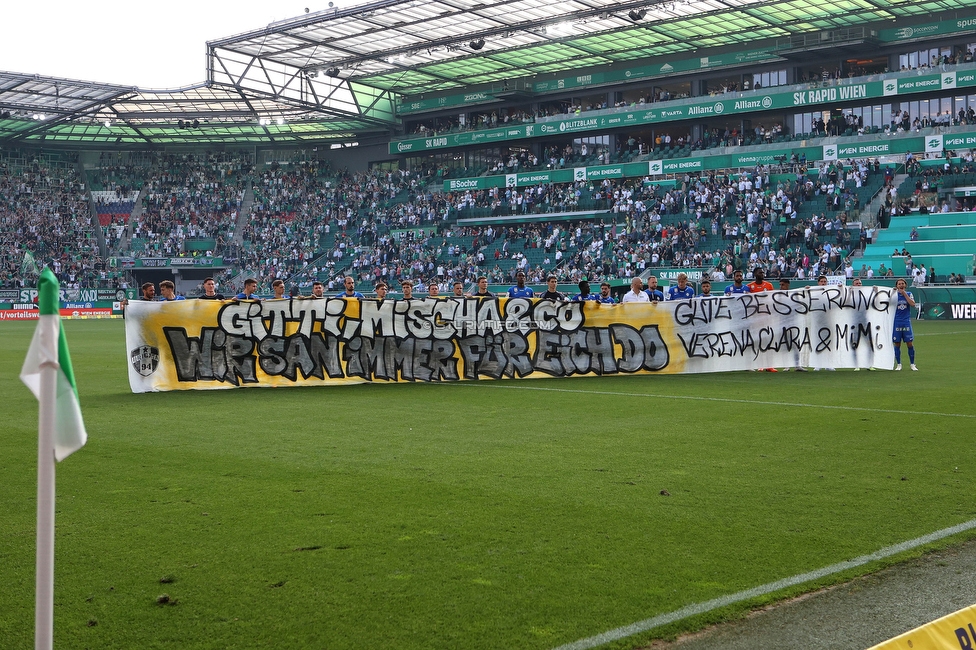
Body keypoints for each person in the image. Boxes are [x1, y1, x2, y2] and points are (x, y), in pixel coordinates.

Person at [892, 278, 918, 371]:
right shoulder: (894, 295)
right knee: (897, 344)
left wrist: (905, 294)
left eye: (902, 283)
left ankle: (912, 364)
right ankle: (898, 364)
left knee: (909, 343)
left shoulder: (909, 294)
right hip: (896, 322)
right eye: (899, 284)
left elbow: (912, 304)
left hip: (906, 322)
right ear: (896, 286)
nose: (901, 285)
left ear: (905, 285)